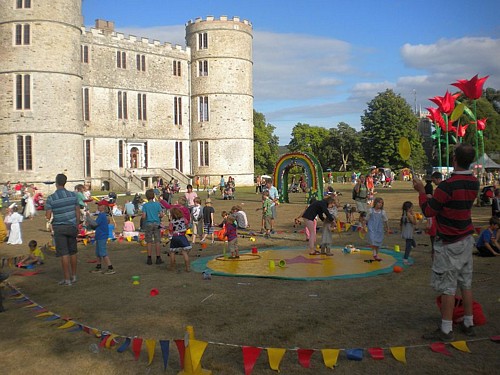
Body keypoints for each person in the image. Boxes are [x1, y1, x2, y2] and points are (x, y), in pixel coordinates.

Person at [413, 143, 479, 341]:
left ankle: (446, 329)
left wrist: (421, 192)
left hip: (450, 242)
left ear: (454, 160)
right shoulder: (474, 182)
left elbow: (429, 211)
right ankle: (468, 322)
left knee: (448, 287)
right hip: (466, 238)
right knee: (465, 284)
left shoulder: (447, 186)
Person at [45, 174, 80, 286]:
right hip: (72, 226)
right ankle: (74, 276)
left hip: (59, 227)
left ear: (56, 183)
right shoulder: (73, 196)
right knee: (73, 251)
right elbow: (77, 211)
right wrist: (77, 224)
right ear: (65, 182)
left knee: (64, 253)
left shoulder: (51, 198)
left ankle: (67, 279)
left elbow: (48, 215)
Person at [88, 200, 115, 274]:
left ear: (103, 207)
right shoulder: (101, 215)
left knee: (103, 253)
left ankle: (110, 268)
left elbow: (95, 224)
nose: (98, 206)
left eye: (99, 205)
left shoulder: (102, 215)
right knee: (98, 253)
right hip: (99, 236)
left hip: (102, 236)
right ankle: (98, 267)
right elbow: (95, 226)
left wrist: (88, 218)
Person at [361, 197, 389, 261]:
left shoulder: (382, 212)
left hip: (379, 229)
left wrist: (387, 229)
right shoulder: (370, 211)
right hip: (372, 228)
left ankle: (376, 253)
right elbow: (366, 219)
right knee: (373, 241)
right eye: (379, 203)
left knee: (378, 242)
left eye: (381, 203)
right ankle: (375, 254)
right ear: (375, 203)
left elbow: (386, 221)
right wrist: (363, 227)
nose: (380, 204)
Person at [142, 189, 164, 265]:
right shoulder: (157, 204)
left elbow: (144, 216)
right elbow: (161, 214)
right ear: (154, 196)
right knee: (157, 241)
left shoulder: (145, 205)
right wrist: (156, 216)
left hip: (148, 223)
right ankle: (158, 258)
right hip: (157, 223)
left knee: (149, 241)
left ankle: (149, 258)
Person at [168, 207, 191, 272]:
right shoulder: (184, 219)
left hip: (175, 237)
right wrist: (185, 228)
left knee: (172, 252)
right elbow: (188, 225)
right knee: (184, 252)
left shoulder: (172, 222)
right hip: (182, 236)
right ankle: (187, 267)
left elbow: (170, 229)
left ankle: (172, 267)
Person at [400, 201, 417, 265]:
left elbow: (401, 224)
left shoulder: (404, 214)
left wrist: (401, 231)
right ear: (408, 208)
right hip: (408, 232)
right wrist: (414, 215)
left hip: (406, 231)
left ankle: (412, 246)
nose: (412, 209)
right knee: (408, 246)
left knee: (412, 243)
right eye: (412, 207)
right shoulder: (409, 215)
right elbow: (414, 222)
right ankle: (405, 259)